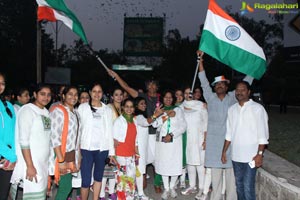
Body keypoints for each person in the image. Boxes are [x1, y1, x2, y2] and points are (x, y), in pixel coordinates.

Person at [197, 50, 253, 200]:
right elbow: (203, 80)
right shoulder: (209, 97)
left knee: (231, 183)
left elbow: (246, 83)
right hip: (214, 146)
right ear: (214, 87)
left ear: (227, 86)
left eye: (223, 83)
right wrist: (200, 60)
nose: (220, 86)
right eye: (217, 84)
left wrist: (253, 66)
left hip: (231, 146)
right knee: (215, 183)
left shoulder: (233, 98)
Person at [107, 70, 163, 193]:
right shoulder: (141, 97)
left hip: (157, 134)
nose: (152, 86)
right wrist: (116, 76)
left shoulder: (162, 98)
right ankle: (139, 188)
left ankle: (157, 183)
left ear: (157, 86)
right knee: (140, 162)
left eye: (154, 84)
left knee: (157, 161)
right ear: (146, 86)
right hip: (143, 134)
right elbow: (126, 87)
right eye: (149, 84)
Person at [221, 81, 269, 200]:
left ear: (248, 92)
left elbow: (263, 135)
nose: (239, 92)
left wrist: (259, 155)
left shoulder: (257, 109)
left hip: (251, 157)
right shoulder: (232, 109)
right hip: (236, 156)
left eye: (243, 90)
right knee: (239, 186)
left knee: (248, 187)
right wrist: (224, 152)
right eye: (237, 90)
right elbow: (229, 134)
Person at [10, 83, 52, 200]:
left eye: (48, 95)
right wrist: (30, 166)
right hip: (32, 162)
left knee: (40, 195)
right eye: (42, 94)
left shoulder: (46, 112)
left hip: (43, 162)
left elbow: (47, 139)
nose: (46, 97)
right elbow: (24, 140)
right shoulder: (27, 110)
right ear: (35, 94)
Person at [77, 83, 115, 200]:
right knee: (86, 179)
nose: (97, 94)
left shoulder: (107, 109)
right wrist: (77, 149)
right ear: (90, 92)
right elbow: (79, 129)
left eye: (99, 91)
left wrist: (111, 152)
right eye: (94, 91)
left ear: (102, 93)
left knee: (98, 177)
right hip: (86, 148)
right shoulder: (83, 108)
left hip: (102, 149)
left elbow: (110, 131)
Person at [155, 90, 187, 199]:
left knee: (174, 164)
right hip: (163, 143)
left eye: (170, 97)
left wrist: (172, 135)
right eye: (166, 97)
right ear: (162, 99)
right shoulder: (160, 110)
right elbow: (155, 125)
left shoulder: (178, 110)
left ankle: (172, 187)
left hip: (175, 141)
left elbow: (183, 127)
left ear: (173, 99)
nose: (168, 99)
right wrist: (161, 116)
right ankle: (166, 188)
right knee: (164, 164)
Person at [49, 86, 80, 200]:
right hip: (61, 155)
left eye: (76, 94)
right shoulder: (58, 111)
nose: (73, 97)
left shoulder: (76, 113)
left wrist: (78, 158)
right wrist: (61, 160)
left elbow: (77, 138)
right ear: (63, 96)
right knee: (65, 187)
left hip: (70, 154)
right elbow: (54, 137)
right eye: (70, 94)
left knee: (66, 187)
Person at [180, 87, 208, 200]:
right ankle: (192, 186)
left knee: (200, 165)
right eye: (186, 93)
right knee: (190, 164)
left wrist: (205, 140)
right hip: (187, 139)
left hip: (199, 139)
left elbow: (206, 124)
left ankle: (202, 188)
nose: (188, 95)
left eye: (190, 93)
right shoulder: (180, 107)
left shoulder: (201, 106)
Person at [134, 97, 163, 199]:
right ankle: (140, 194)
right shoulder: (138, 116)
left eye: (144, 104)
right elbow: (146, 122)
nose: (144, 105)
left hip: (144, 148)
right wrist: (155, 115)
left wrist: (158, 116)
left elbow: (153, 123)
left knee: (142, 169)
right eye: (141, 104)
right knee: (140, 171)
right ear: (136, 105)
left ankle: (138, 193)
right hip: (139, 149)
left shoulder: (142, 116)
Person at [99, 88, 123, 200]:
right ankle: (102, 194)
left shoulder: (123, 109)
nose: (119, 97)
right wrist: (111, 139)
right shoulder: (108, 108)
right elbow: (105, 126)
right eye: (116, 94)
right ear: (112, 97)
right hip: (109, 142)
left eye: (120, 95)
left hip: (120, 144)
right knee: (105, 169)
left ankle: (112, 192)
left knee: (114, 170)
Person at [113, 98, 139, 200]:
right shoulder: (119, 121)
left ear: (134, 108)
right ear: (123, 107)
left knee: (131, 180)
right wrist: (113, 155)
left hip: (131, 155)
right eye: (126, 106)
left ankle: (130, 198)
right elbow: (114, 140)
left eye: (131, 107)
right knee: (122, 182)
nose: (129, 109)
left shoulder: (135, 121)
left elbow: (135, 140)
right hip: (121, 155)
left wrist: (137, 153)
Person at [0, 72, 16, 200]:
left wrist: (13, 156)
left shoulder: (8, 106)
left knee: (3, 194)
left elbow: (16, 133)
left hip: (7, 160)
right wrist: (10, 156)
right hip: (6, 157)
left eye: (2, 83)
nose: (0, 86)